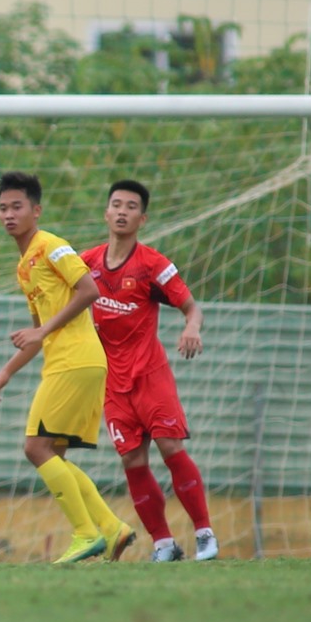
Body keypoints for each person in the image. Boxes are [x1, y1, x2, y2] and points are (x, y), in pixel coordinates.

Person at [0, 172, 135, 564]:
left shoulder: (53, 245)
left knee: (35, 447)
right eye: (3, 208)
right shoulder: (23, 266)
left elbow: (90, 290)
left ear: (36, 210)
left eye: (17, 207)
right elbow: (38, 332)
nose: (8, 215)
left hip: (77, 359)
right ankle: (111, 527)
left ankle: (85, 534)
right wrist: (7, 372)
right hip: (65, 362)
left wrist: (44, 331)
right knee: (54, 455)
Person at [84, 180, 218, 562]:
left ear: (141, 219)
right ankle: (163, 543)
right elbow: (63, 297)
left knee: (170, 446)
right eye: (116, 204)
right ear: (106, 213)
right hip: (113, 384)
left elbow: (191, 306)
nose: (122, 211)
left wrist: (191, 327)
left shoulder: (152, 264)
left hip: (150, 375)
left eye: (131, 206)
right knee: (132, 461)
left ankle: (205, 533)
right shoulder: (86, 263)